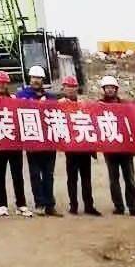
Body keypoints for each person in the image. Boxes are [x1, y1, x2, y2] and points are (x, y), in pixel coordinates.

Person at [16, 64, 59, 216]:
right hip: (32, 141)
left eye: (38, 78)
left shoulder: (51, 97)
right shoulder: (22, 95)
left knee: (48, 174)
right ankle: (39, 203)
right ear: (30, 78)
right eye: (34, 77)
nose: (36, 80)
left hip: (48, 142)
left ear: (42, 80)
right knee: (35, 174)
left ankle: (50, 204)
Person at [0, 71, 32, 218]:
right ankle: (2, 205)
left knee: (17, 175)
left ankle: (21, 204)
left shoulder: (14, 98)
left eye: (4, 82)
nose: (2, 84)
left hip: (14, 143)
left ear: (8, 84)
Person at [99, 74, 135, 216]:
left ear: (116, 89)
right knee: (114, 179)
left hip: (125, 149)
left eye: (112, 87)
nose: (110, 90)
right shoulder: (98, 106)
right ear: (103, 89)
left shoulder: (125, 105)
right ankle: (118, 206)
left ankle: (133, 207)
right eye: (107, 88)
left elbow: (133, 124)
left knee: (129, 178)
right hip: (110, 149)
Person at [60, 75, 99, 215]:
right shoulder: (60, 104)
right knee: (72, 178)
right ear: (63, 88)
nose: (70, 89)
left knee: (86, 178)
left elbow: (92, 122)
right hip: (70, 148)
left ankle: (89, 205)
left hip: (84, 146)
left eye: (73, 86)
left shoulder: (84, 104)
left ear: (77, 88)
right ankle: (73, 205)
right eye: (68, 87)